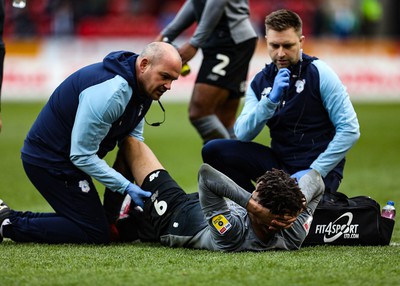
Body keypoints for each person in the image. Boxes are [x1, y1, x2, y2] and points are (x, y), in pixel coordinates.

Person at [0, 42, 182, 244]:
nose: (169, 86)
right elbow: (81, 155)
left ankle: (109, 219)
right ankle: (7, 222)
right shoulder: (113, 92)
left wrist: (117, 206)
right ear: (144, 65)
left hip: (68, 161)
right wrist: (126, 187)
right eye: (165, 76)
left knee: (100, 226)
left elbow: (132, 142)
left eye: (173, 79)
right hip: (49, 160)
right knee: (95, 233)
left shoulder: (143, 90)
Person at [202, 9, 360, 195]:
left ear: (301, 42)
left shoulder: (320, 73)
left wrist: (316, 170)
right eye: (274, 45)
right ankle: (253, 208)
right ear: (266, 41)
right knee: (213, 150)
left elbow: (350, 130)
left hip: (319, 170)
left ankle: (283, 204)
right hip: (281, 167)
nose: (280, 53)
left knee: (295, 217)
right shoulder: (259, 82)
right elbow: (243, 133)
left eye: (288, 45)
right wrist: (270, 101)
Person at [103, 137, 324, 252]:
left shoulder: (233, 235)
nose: (252, 193)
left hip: (175, 213)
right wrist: (299, 204)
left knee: (131, 145)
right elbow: (315, 178)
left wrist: (252, 205)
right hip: (209, 204)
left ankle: (109, 222)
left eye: (254, 194)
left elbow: (206, 175)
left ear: (265, 215)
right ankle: (132, 214)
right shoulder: (293, 231)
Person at [155, 0, 258, 144]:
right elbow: (196, 3)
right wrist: (167, 35)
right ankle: (238, 164)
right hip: (231, 40)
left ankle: (226, 160)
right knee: (225, 119)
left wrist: (194, 43)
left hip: (229, 40)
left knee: (199, 111)